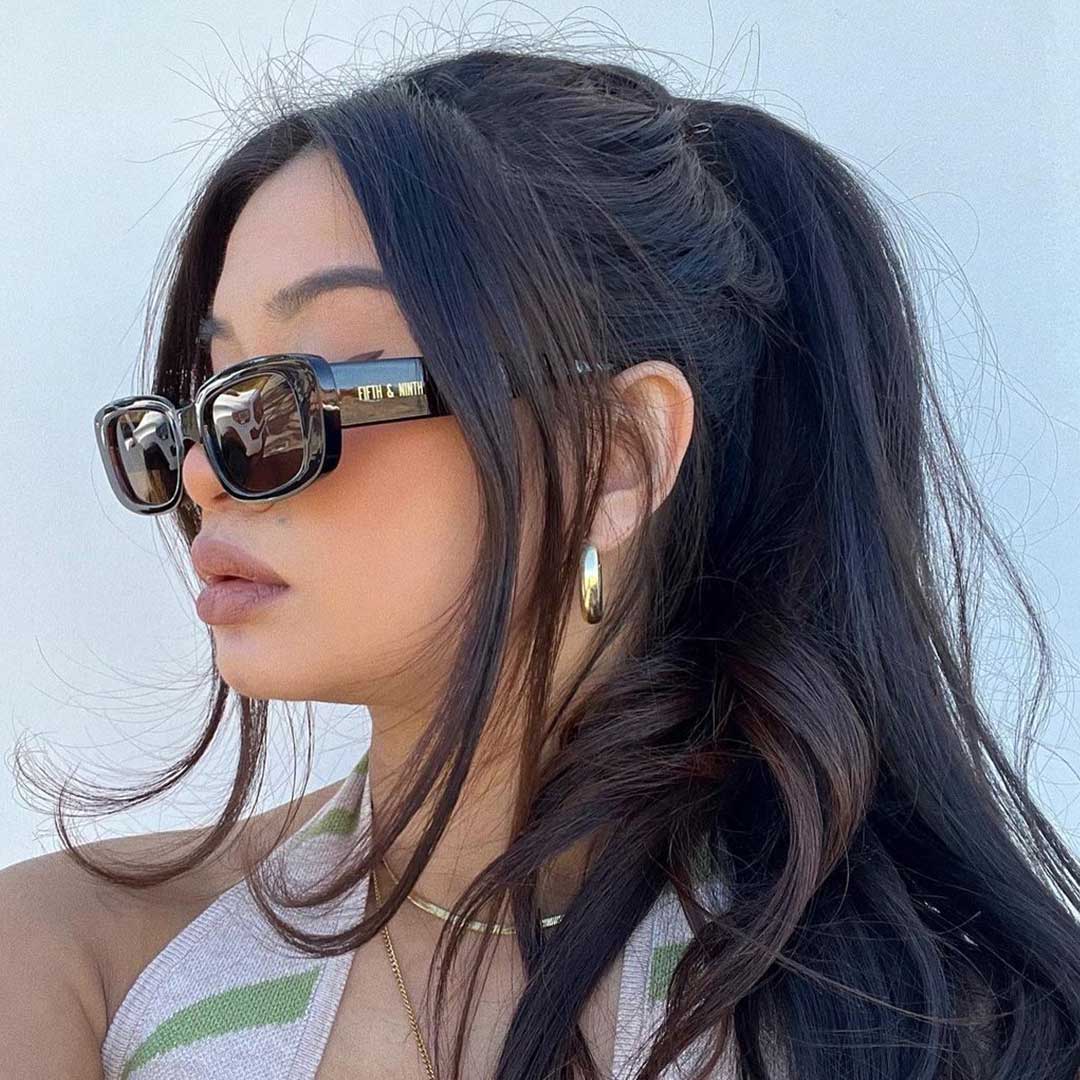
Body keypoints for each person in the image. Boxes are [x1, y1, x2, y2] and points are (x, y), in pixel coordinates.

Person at [4, 43, 1080, 1080]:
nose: (202, 474)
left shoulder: (934, 1022)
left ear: (613, 459)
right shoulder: (78, 968)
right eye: (209, 397)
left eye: (297, 392)